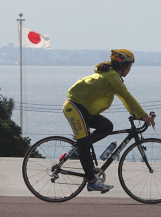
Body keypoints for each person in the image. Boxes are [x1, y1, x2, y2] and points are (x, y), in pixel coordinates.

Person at [62, 49, 155, 193]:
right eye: (130, 67)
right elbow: (127, 97)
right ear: (123, 66)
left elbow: (125, 99)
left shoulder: (112, 76)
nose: (130, 70)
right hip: (75, 106)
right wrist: (143, 115)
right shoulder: (112, 78)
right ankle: (92, 181)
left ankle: (78, 151)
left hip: (83, 108)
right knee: (85, 144)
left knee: (107, 126)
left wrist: (137, 114)